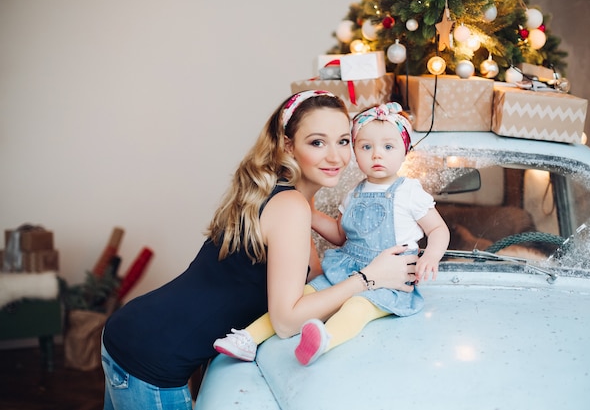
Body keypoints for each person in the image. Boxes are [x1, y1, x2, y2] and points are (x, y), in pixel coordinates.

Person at [100, 91, 419, 410]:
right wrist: (369, 278)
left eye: (343, 141)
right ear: (288, 145)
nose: (335, 157)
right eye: (317, 142)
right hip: (152, 358)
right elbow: (286, 320)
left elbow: (316, 280)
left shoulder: (288, 196)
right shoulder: (290, 206)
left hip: (135, 333)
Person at [213, 102, 450, 366]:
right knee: (305, 293)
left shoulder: (409, 191)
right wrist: (310, 214)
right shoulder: (354, 193)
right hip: (350, 268)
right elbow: (340, 235)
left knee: (357, 308)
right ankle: (248, 337)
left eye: (388, 147)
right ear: (356, 152)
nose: (376, 156)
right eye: (366, 147)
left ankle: (325, 339)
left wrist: (431, 255)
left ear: (405, 151)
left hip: (390, 280)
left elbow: (438, 229)